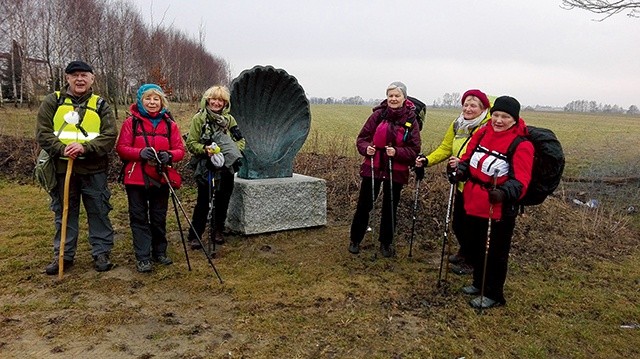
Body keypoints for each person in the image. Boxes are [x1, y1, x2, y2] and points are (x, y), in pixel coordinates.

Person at [449, 95, 534, 309]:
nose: (498, 120)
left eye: (505, 116)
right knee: (477, 245)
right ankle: (479, 283)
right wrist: (460, 171)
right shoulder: (483, 132)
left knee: (495, 251)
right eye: (496, 115)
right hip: (474, 201)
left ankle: (494, 294)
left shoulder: (521, 145)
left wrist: (504, 193)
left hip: (499, 209)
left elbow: (521, 182)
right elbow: (468, 160)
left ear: (515, 119)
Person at [36, 60, 117, 275]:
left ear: (92, 79)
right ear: (67, 78)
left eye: (84, 75)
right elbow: (42, 133)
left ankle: (101, 252)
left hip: (94, 169)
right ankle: (63, 254)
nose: (79, 79)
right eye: (75, 75)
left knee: (99, 211)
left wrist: (85, 148)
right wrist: (62, 149)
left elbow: (109, 136)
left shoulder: (101, 105)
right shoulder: (52, 101)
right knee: (64, 213)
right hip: (62, 170)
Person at [415, 89, 491, 275]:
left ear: (483, 109)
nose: (468, 108)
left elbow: (486, 156)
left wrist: (463, 163)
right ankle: (465, 252)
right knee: (459, 223)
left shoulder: (487, 128)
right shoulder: (458, 124)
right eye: (466, 104)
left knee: (474, 226)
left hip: (478, 184)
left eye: (473, 105)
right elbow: (446, 147)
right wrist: (427, 160)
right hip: (460, 181)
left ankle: (473, 262)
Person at [115, 84, 185, 273]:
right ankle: (143, 256)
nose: (152, 102)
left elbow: (180, 150)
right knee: (138, 217)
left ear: (162, 101)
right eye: (148, 98)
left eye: (156, 99)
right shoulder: (131, 123)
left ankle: (159, 251)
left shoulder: (170, 124)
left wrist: (169, 155)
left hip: (160, 177)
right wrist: (140, 153)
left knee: (158, 216)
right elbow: (121, 147)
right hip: (135, 178)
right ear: (140, 100)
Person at [348, 82, 421, 258]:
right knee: (364, 204)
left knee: (390, 206)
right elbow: (362, 139)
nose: (393, 99)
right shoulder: (378, 115)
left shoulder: (411, 119)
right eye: (390, 95)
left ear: (404, 98)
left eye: (397, 95)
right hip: (373, 166)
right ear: (386, 97)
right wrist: (367, 149)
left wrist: (397, 152)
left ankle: (386, 243)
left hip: (396, 169)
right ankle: (355, 239)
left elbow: (414, 149)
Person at [186, 85, 244, 250]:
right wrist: (205, 150)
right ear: (208, 100)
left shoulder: (230, 120)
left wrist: (232, 152)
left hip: (226, 167)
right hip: (206, 166)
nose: (216, 103)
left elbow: (241, 140)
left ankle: (217, 230)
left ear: (225, 103)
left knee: (223, 199)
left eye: (220, 100)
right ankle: (195, 234)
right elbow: (191, 143)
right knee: (203, 201)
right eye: (214, 99)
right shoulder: (199, 119)